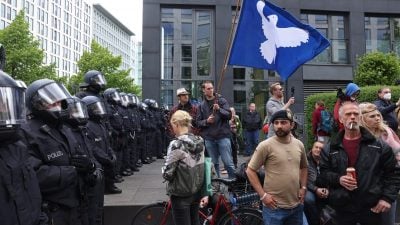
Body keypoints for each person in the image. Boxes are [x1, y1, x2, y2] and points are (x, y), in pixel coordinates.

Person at [22, 79, 96, 225]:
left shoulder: (64, 129)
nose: (58, 106)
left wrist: (89, 166)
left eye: (59, 102)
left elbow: (82, 156)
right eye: (52, 103)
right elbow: (33, 175)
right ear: (37, 104)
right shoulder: (28, 132)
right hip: (53, 212)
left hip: (78, 206)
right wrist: (73, 171)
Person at [316, 101, 400, 225]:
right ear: (341, 119)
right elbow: (322, 175)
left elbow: (393, 174)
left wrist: (386, 198)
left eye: (356, 114)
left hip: (372, 208)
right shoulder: (330, 148)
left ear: (360, 117)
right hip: (342, 209)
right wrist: (339, 179)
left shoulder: (379, 146)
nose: (352, 117)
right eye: (348, 114)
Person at [0, 71, 47, 225]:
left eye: (5, 101)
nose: (3, 108)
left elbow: (31, 193)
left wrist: (40, 218)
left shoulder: (17, 146)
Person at [246, 109, 308, 225]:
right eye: (276, 123)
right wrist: (263, 195)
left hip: (296, 206)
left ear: (292, 124)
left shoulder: (299, 145)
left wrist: (303, 188)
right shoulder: (265, 146)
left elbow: (304, 167)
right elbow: (250, 170)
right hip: (274, 208)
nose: (279, 126)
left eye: (283, 122)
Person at [359, 102, 400, 225]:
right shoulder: (356, 136)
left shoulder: (387, 132)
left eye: (378, 115)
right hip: (366, 188)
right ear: (362, 118)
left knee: (388, 220)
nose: (377, 118)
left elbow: (398, 153)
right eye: (372, 116)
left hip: (387, 184)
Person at [162, 110, 205, 225]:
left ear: (176, 124)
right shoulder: (200, 141)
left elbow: (167, 174)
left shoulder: (176, 144)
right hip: (196, 191)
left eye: (172, 126)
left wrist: (163, 169)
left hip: (180, 194)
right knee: (195, 221)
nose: (172, 129)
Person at [196, 81, 235, 178]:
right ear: (204, 90)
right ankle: (218, 185)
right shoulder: (201, 106)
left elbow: (229, 115)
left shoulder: (221, 101)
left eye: (212, 88)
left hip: (223, 136)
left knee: (228, 163)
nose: (211, 90)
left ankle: (234, 184)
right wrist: (206, 121)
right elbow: (197, 122)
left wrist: (219, 109)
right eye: (208, 88)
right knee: (214, 164)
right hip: (209, 138)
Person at [304, 141, 328, 225]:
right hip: (309, 187)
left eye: (321, 148)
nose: (318, 150)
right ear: (312, 148)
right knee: (308, 199)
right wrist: (316, 189)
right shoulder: (305, 160)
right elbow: (303, 180)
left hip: (324, 187)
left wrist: (327, 189)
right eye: (316, 147)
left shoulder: (327, 160)